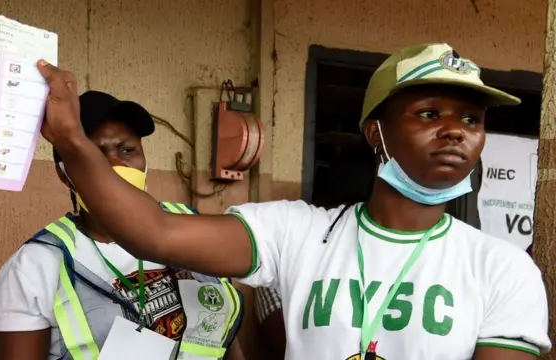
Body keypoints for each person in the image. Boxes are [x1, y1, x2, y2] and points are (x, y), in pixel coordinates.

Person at [35, 43, 552, 359]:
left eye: (471, 120)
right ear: (377, 133)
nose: (454, 132)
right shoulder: (300, 234)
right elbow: (155, 232)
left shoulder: (502, 270)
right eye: (429, 113)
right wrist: (73, 144)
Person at [0, 91, 246, 360]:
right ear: (64, 173)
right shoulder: (34, 266)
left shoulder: (191, 228)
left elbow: (223, 336)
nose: (115, 165)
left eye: (127, 150)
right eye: (96, 153)